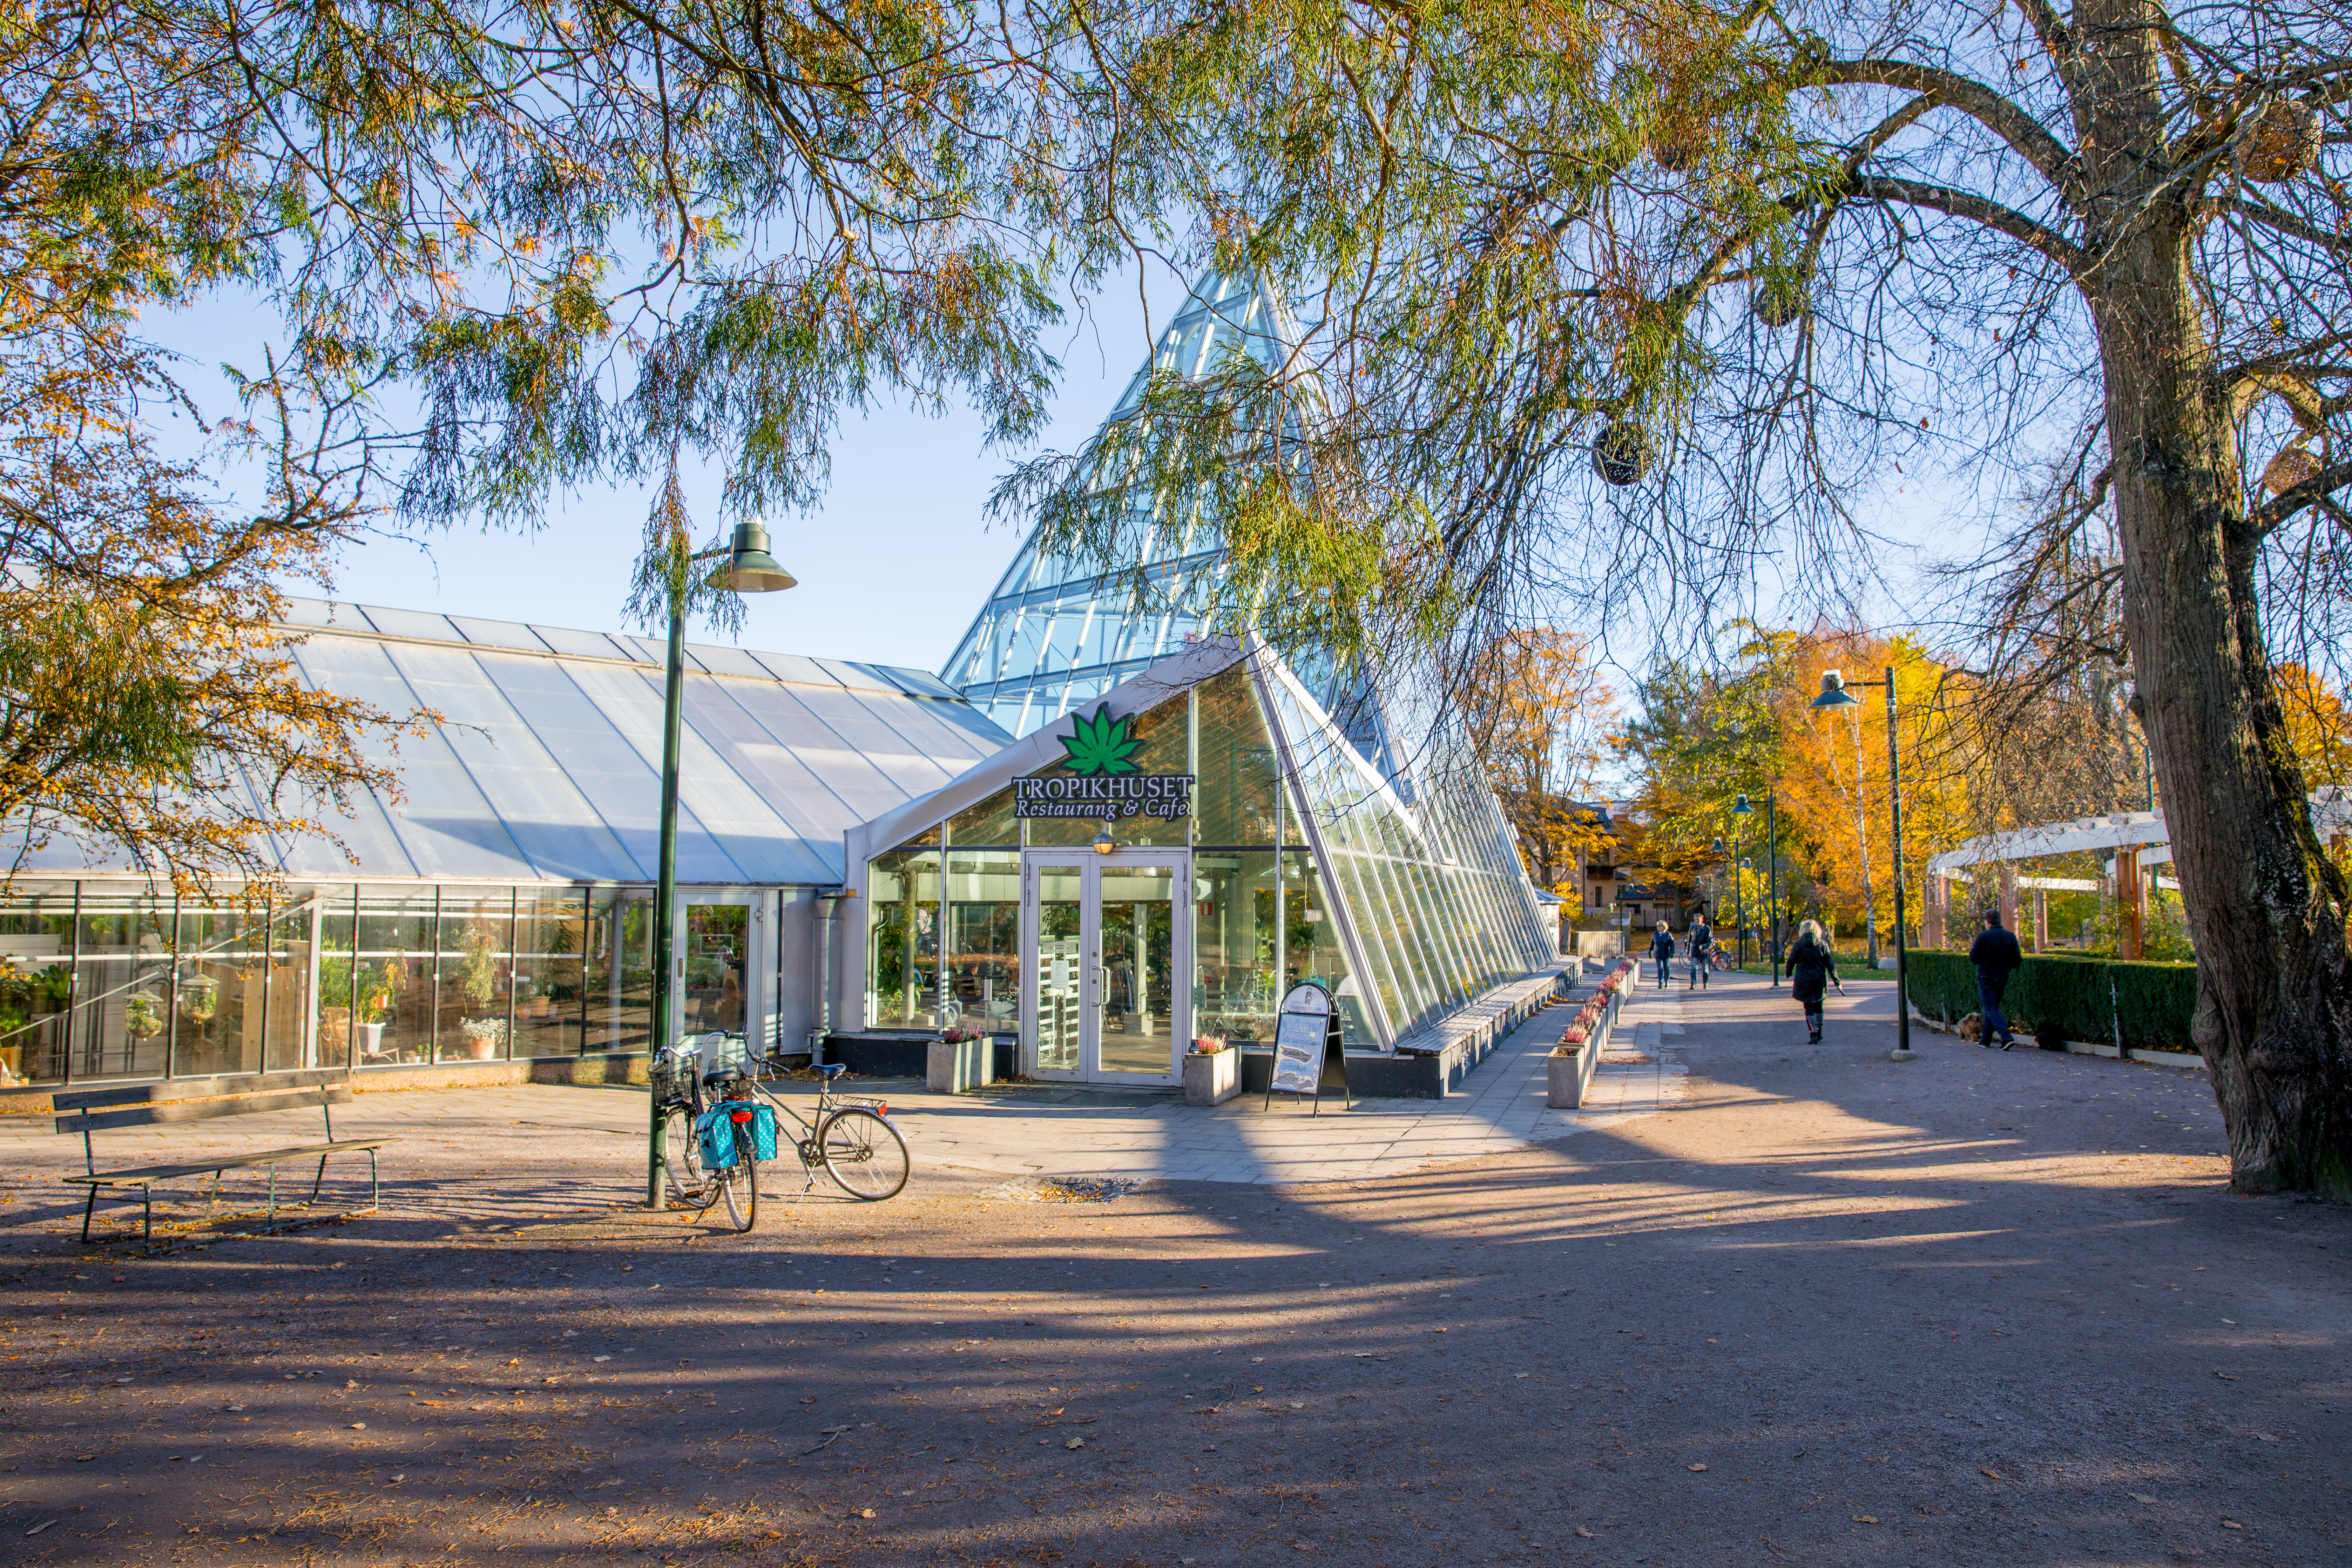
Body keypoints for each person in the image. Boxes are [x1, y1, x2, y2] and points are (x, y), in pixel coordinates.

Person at [1969, 908, 2025, 1050]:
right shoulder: (2010, 936)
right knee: (1993, 1008)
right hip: (2002, 977)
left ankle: (2007, 1038)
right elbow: (2018, 960)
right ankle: (1985, 1040)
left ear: (1988, 922)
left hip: (1985, 976)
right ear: (1999, 920)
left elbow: (1974, 958)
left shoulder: (1983, 937)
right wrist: (2006, 968)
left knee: (1991, 1007)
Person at [1785, 919, 1842, 1042]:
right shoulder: (1822, 945)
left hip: (1804, 980)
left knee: (1808, 1007)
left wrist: (1788, 973)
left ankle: (1812, 1032)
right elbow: (1830, 965)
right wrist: (1837, 982)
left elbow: (1791, 961)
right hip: (1819, 980)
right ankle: (1819, 1031)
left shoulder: (1798, 945)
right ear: (1817, 931)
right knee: (1819, 1006)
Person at [1687, 910, 1714, 990]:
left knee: (1705, 969)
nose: (1697, 921)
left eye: (1698, 920)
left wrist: (1707, 948)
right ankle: (1693, 984)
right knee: (1694, 967)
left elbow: (1710, 939)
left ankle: (1705, 983)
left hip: (1703, 951)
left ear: (1702, 920)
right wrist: (1688, 951)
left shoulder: (1706, 929)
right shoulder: (1693, 928)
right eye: (1695, 920)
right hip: (1695, 951)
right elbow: (1689, 940)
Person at [1648, 920, 1675, 989]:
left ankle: (1667, 981)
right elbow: (1652, 943)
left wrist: (1672, 952)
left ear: (1664, 927)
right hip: (1658, 953)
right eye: (1657, 926)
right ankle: (1660, 984)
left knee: (1666, 968)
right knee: (1660, 968)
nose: (1658, 927)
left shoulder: (1668, 934)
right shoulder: (1655, 934)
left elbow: (1672, 944)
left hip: (1666, 953)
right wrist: (1650, 951)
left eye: (1660, 926)